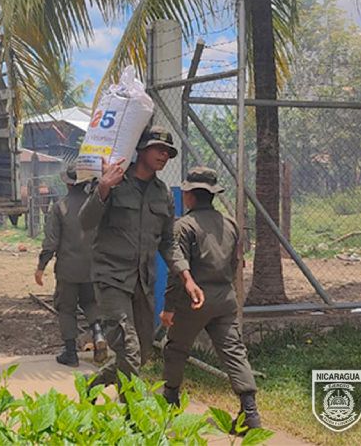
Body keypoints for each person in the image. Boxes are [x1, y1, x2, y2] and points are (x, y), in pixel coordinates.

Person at [160, 166, 261, 432]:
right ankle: (250, 413)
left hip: (193, 300)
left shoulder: (183, 226)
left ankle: (170, 402)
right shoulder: (230, 223)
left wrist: (169, 307)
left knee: (176, 349)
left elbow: (177, 272)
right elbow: (236, 262)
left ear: (190, 195)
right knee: (234, 352)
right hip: (225, 298)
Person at [79, 125, 179, 391]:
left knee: (142, 351)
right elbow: (85, 222)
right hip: (111, 278)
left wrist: (186, 274)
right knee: (129, 347)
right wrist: (102, 188)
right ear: (141, 149)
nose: (164, 155)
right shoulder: (113, 183)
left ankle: (93, 383)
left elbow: (168, 242)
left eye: (168, 152)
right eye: (158, 149)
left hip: (142, 282)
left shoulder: (163, 193)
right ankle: (131, 421)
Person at [34, 165, 107, 367]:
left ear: (67, 183)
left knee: (66, 308)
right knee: (91, 303)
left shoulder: (60, 207)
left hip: (68, 269)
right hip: (93, 267)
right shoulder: (96, 205)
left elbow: (51, 242)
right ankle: (98, 333)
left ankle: (70, 353)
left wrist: (41, 266)